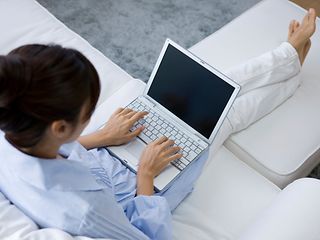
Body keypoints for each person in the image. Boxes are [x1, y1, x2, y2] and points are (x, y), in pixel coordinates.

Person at [0, 8, 316, 240]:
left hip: (107, 153)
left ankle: (286, 61)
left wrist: (100, 135)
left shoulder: (12, 135)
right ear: (59, 127)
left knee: (187, 97)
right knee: (223, 116)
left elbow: (48, 153)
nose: (90, 111)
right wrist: (146, 174)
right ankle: (289, 63)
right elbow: (146, 236)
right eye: (87, 110)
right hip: (147, 185)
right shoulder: (86, 212)